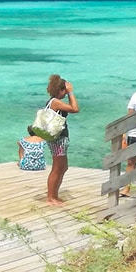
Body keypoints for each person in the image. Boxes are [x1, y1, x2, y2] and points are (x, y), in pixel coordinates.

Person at [44, 74, 79, 206]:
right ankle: (51, 197)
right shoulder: (55, 102)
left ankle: (54, 196)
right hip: (57, 139)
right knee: (57, 168)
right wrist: (71, 93)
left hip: (59, 139)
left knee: (63, 167)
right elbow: (75, 108)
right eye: (65, 90)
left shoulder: (53, 101)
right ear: (61, 90)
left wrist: (68, 91)